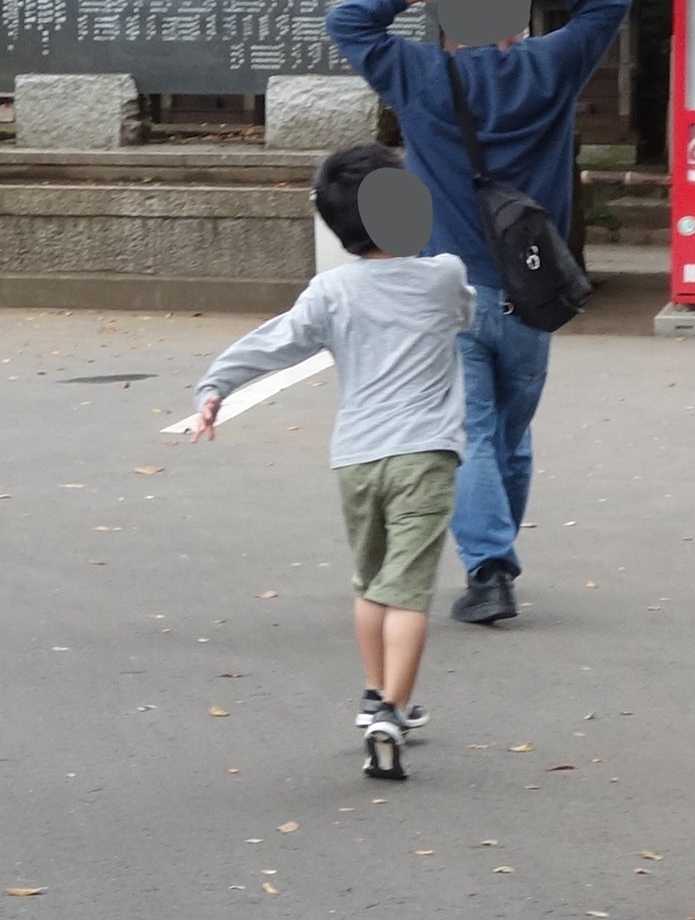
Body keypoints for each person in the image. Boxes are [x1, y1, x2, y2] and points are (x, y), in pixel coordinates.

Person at [321, 0, 632, 627]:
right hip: (532, 287)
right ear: (520, 22)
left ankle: (490, 568)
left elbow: (346, 20)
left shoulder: (419, 74)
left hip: (445, 290)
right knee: (512, 434)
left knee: (475, 435)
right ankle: (495, 552)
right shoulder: (551, 64)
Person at [178, 143, 482, 779]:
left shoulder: (331, 290)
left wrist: (215, 387)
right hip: (423, 454)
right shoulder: (444, 275)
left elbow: (275, 343)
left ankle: (377, 694)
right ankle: (391, 713)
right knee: (410, 590)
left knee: (371, 582)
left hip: (356, 458)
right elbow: (465, 314)